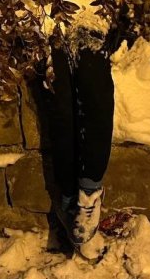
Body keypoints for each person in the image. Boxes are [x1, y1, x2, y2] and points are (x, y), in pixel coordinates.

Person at [32, 22, 121, 256]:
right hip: (43, 15)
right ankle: (69, 195)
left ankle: (88, 193)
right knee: (60, 106)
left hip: (87, 11)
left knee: (94, 88)